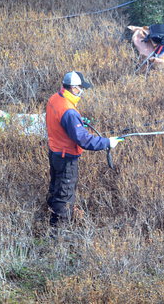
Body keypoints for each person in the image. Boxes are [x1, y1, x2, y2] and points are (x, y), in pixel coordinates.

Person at [45, 71, 123, 229]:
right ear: (73, 88)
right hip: (66, 157)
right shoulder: (69, 111)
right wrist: (107, 142)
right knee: (64, 196)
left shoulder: (55, 98)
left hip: (55, 152)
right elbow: (84, 140)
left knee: (56, 188)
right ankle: (58, 235)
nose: (82, 90)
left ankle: (49, 217)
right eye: (80, 87)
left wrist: (79, 123)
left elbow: (61, 122)